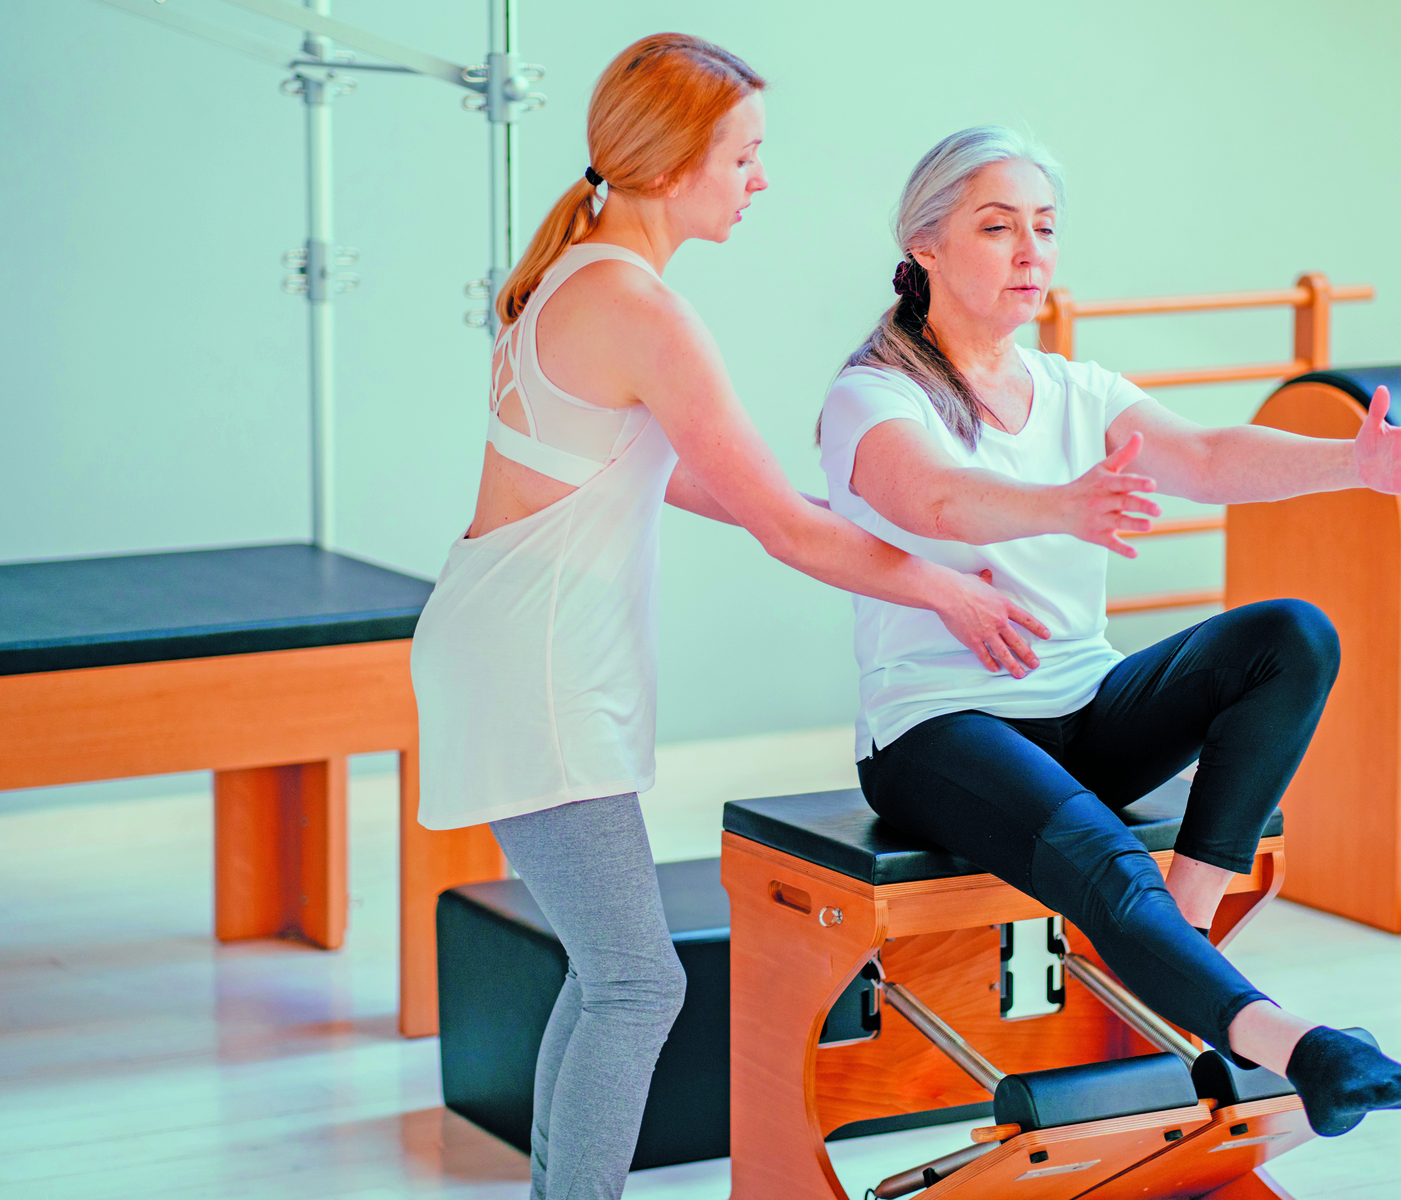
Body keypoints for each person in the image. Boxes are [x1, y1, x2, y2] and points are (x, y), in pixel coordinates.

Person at [410, 43, 1048, 1200]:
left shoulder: (580, 276)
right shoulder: (635, 305)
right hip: (536, 670)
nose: (760, 180)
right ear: (672, 163)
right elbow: (783, 528)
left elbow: (693, 477)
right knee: (637, 984)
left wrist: (863, 524)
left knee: (604, 975)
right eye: (744, 156)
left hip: (505, 650)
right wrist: (949, 586)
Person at [817, 126, 1401, 1138]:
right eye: (997, 227)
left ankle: (1186, 920)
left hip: (1084, 707)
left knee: (1291, 635)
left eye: (1046, 229)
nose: (1031, 251)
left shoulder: (1075, 388)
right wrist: (1058, 508)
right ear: (925, 242)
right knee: (1106, 857)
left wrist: (1353, 466)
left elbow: (1204, 455)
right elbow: (932, 499)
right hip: (937, 730)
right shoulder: (873, 394)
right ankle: (1300, 1047)